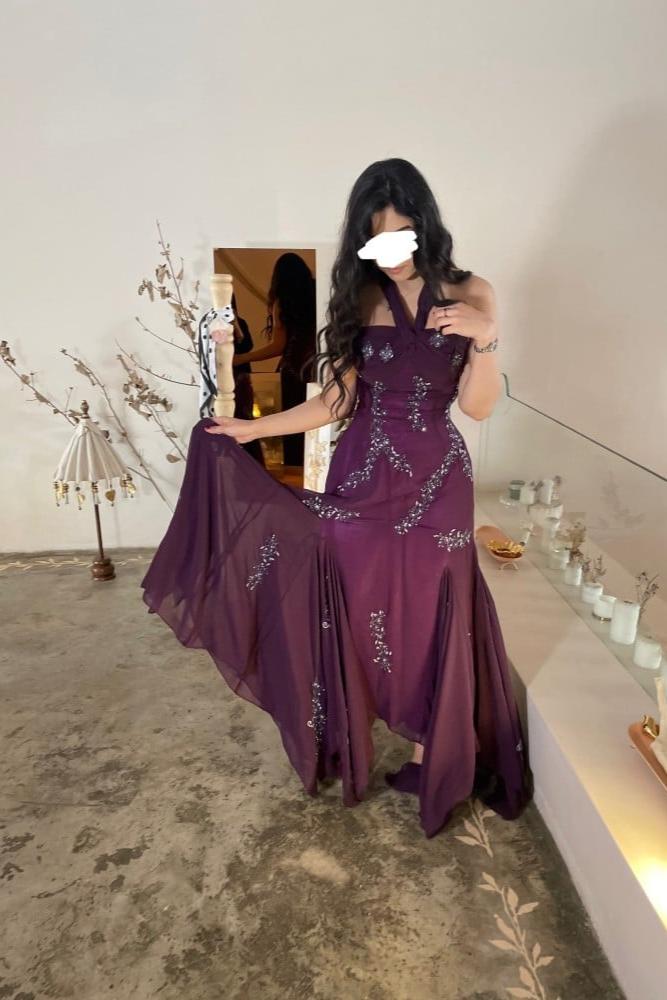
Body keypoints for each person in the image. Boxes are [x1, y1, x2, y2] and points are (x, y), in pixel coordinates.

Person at [141, 158, 534, 838]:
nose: (391, 253)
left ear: (424, 226)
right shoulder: (360, 297)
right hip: (362, 474)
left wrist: (487, 339)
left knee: (435, 607)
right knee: (350, 599)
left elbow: (477, 406)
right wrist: (252, 429)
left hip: (437, 478)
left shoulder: (472, 292)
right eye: (375, 239)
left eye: (401, 235)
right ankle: (344, 729)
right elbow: (338, 400)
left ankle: (431, 750)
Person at [232, 253, 316, 467]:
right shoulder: (317, 293)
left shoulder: (283, 301)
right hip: (316, 367)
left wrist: (242, 358)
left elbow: (279, 346)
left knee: (291, 421)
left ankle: (295, 468)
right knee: (314, 418)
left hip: (293, 369)